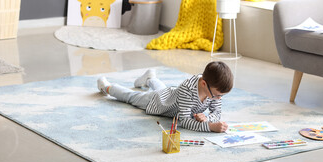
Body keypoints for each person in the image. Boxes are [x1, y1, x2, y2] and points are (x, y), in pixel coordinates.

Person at [97, 61, 234, 132]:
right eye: (216, 95)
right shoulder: (188, 89)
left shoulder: (213, 90)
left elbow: (216, 112)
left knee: (165, 90)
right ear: (204, 83)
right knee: (131, 97)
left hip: (172, 96)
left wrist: (208, 119)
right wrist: (210, 127)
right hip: (158, 103)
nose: (218, 99)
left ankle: (150, 78)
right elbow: (185, 121)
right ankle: (107, 87)